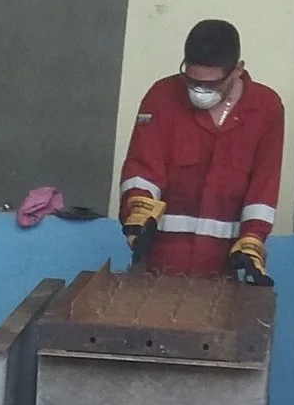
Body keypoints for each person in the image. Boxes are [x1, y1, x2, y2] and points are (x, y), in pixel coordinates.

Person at [117, 19, 282, 286]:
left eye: (212, 85)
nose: (199, 91)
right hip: (158, 265)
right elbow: (142, 166)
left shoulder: (266, 108)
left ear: (237, 70)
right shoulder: (161, 96)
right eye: (192, 81)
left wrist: (253, 240)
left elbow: (265, 185)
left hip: (224, 270)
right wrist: (138, 211)